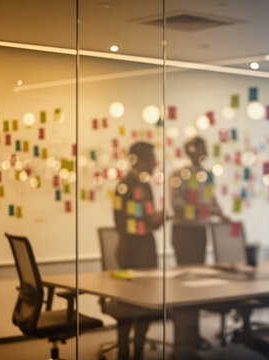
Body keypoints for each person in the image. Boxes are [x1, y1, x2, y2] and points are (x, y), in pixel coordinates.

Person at [112, 141, 163, 360]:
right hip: (139, 250)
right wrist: (162, 216)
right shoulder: (140, 186)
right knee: (142, 302)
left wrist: (152, 220)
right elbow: (148, 221)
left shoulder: (122, 185)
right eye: (152, 158)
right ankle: (136, 350)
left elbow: (124, 221)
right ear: (141, 160)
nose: (155, 162)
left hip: (127, 248)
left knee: (128, 302)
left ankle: (125, 348)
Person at [169, 136, 228, 265]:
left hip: (200, 229)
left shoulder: (207, 175)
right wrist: (203, 209)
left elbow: (211, 198)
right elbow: (177, 204)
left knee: (200, 266)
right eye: (201, 149)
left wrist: (221, 214)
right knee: (186, 268)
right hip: (183, 230)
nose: (205, 153)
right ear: (191, 151)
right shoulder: (178, 174)